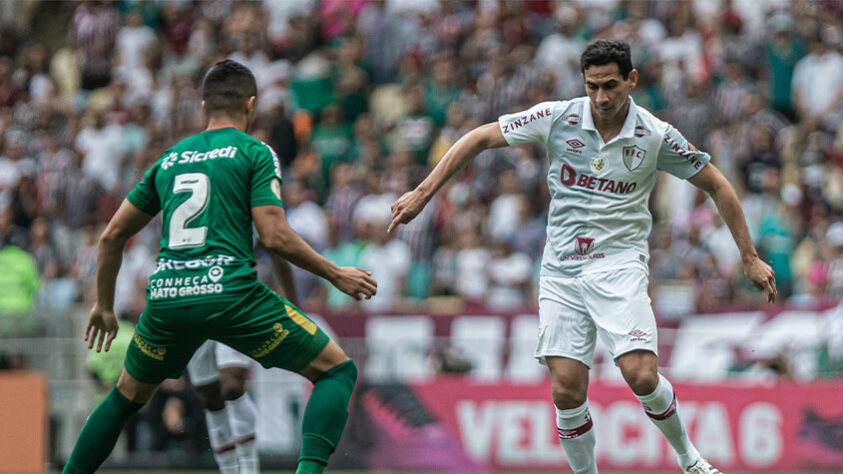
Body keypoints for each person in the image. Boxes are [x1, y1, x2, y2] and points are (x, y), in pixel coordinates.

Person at [389, 39, 777, 474]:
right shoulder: (557, 117)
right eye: (592, 86)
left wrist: (749, 257)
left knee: (642, 376)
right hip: (561, 271)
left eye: (611, 85)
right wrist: (422, 193)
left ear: (632, 80)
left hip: (619, 266)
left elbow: (718, 185)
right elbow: (479, 137)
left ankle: (690, 459)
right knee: (567, 391)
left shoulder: (654, 134)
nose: (601, 97)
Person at [63, 59, 377, 474]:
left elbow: (111, 236)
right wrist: (336, 274)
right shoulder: (255, 152)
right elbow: (274, 236)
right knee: (336, 371)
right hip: (231, 295)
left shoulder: (171, 158)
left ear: (203, 106)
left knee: (124, 398)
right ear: (252, 105)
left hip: (169, 298)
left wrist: (104, 305)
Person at [186, 248, 299, 474]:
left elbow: (276, 243)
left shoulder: (243, 211)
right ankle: (228, 470)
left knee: (231, 385)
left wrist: (294, 306)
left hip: (234, 297)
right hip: (193, 300)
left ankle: (249, 468)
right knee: (210, 396)